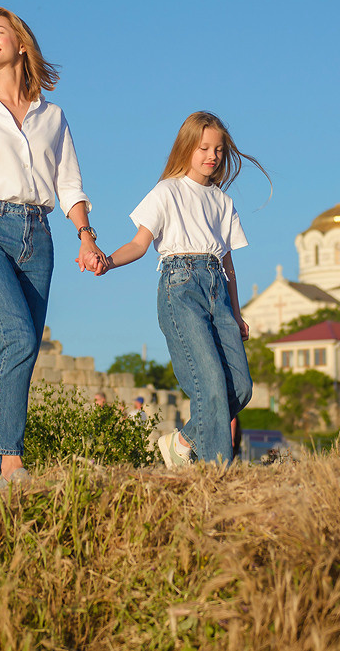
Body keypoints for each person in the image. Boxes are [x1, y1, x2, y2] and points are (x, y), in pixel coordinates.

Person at [0, 6, 106, 497]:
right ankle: (11, 461)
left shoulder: (52, 116)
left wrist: (86, 235)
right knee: (18, 336)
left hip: (41, 235)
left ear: (21, 44)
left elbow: (70, 183)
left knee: (22, 351)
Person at [97, 112, 267, 466]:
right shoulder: (167, 191)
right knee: (210, 385)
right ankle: (217, 471)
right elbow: (139, 244)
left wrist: (236, 314)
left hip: (217, 287)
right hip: (181, 285)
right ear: (187, 147)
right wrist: (107, 261)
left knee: (241, 386)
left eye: (219, 149)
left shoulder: (223, 202)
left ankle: (183, 441)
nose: (212, 155)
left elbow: (229, 265)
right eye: (204, 147)